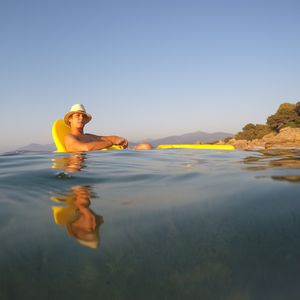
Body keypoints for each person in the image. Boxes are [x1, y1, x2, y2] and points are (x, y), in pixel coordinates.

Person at [63, 104, 153, 152]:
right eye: (77, 115)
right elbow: (86, 148)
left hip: (112, 156)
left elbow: (106, 138)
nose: (81, 118)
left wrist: (119, 139)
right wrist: (110, 143)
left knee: (146, 146)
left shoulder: (88, 136)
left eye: (83, 116)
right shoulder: (69, 138)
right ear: (70, 119)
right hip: (78, 169)